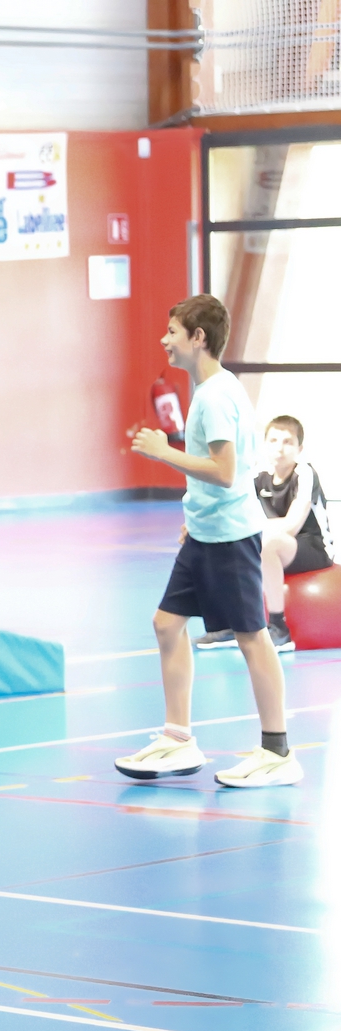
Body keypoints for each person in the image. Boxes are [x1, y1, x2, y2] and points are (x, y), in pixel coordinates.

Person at [122, 294, 302, 788]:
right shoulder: (216, 389)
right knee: (166, 625)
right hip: (203, 533)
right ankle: (177, 740)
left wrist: (165, 453)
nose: (165, 339)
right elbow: (234, 472)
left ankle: (277, 750)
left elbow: (225, 472)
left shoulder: (215, 397)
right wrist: (193, 516)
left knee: (252, 638)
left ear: (198, 338)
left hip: (229, 539)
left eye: (173, 331)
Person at [198, 414, 334, 651]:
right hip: (272, 542)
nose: (279, 449)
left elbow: (292, 526)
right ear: (264, 445)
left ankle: (279, 627)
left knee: (268, 543)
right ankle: (231, 624)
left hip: (312, 547)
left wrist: (250, 531)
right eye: (273, 441)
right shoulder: (258, 476)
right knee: (224, 542)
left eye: (287, 442)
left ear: (299, 448)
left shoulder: (304, 473)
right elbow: (230, 512)